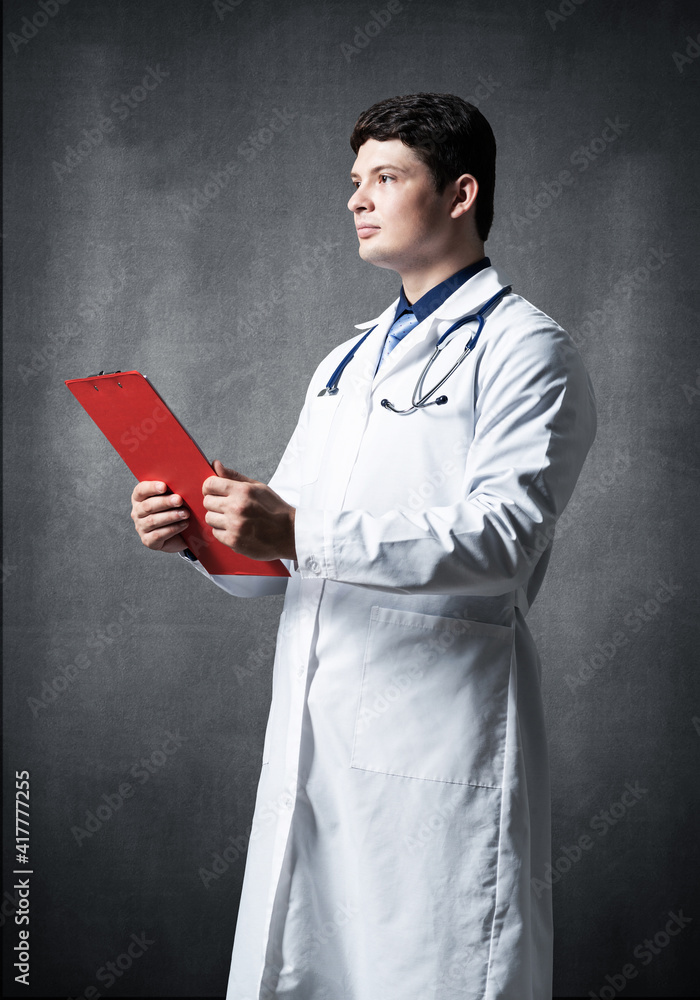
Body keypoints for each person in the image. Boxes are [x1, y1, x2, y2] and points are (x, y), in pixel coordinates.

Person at [130, 92, 597, 1000]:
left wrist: (296, 528)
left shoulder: (527, 350)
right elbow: (288, 565)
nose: (358, 199)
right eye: (355, 181)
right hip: (316, 738)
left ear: (461, 194)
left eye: (387, 177)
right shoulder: (345, 364)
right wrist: (205, 535)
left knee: (431, 969)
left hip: (434, 744)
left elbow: (502, 541)